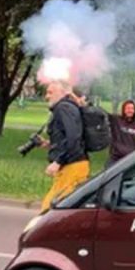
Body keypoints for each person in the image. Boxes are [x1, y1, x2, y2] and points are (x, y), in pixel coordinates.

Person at [40, 81, 89, 213]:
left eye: (50, 92)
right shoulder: (66, 108)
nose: (47, 96)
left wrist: (58, 161)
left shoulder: (63, 108)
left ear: (62, 93)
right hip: (71, 166)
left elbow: (73, 138)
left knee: (50, 210)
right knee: (58, 209)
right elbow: (68, 138)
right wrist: (50, 145)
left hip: (72, 167)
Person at [107, 99, 135, 167]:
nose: (130, 110)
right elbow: (103, 115)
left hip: (130, 161)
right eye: (128, 108)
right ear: (124, 110)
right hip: (115, 160)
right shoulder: (116, 120)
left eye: (132, 108)